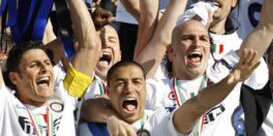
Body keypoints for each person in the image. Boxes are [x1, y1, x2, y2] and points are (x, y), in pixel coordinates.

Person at [81, 0, 273, 135]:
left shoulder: (229, 66)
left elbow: (268, 27)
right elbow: (148, 19)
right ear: (171, 52)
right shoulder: (157, 83)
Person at [0, 0, 100, 135]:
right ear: (15, 78)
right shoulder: (5, 103)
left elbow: (90, 46)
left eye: (47, 62)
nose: (46, 68)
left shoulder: (64, 96)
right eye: (34, 65)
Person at [80, 49, 259, 135]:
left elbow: (197, 105)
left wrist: (231, 80)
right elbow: (85, 107)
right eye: (120, 83)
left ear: (145, 89)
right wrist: (110, 119)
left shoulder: (158, 120)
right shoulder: (88, 124)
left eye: (136, 82)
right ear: (108, 91)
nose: (129, 88)